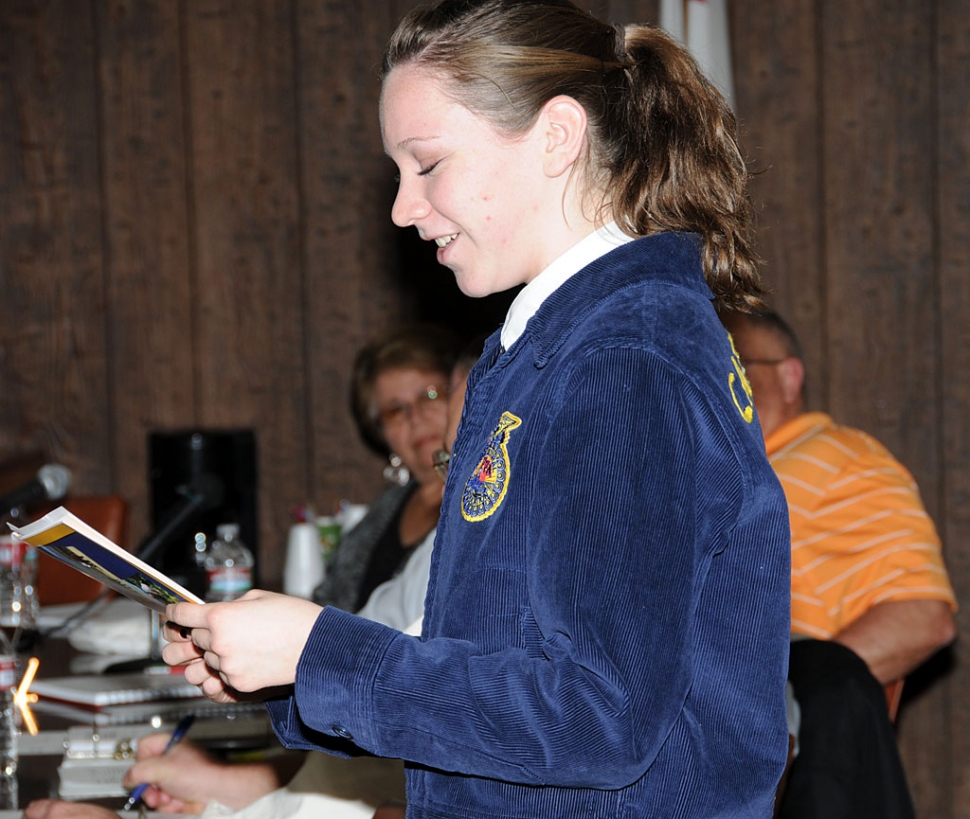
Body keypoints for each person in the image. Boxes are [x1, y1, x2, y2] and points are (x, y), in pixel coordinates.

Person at [162, 2, 793, 817]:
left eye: (426, 164)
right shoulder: (550, 349)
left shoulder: (621, 360)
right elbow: (501, 686)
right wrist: (298, 669)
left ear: (557, 137)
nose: (402, 207)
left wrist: (330, 652)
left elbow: (599, 718)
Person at [22, 352, 482, 819]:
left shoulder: (515, 575)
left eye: (430, 398)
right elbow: (369, 650)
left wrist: (302, 655)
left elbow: (437, 745)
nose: (459, 481)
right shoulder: (437, 540)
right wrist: (238, 776)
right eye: (450, 461)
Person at [719, 307, 957, 819]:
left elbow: (923, 615)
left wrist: (787, 703)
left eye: (740, 366)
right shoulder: (726, 470)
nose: (724, 381)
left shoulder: (845, 457)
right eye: (714, 367)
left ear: (789, 376)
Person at [312, 323, 460, 614]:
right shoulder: (386, 507)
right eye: (395, 410)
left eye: (429, 395)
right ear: (380, 434)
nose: (415, 417)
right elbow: (326, 601)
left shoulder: (485, 496)